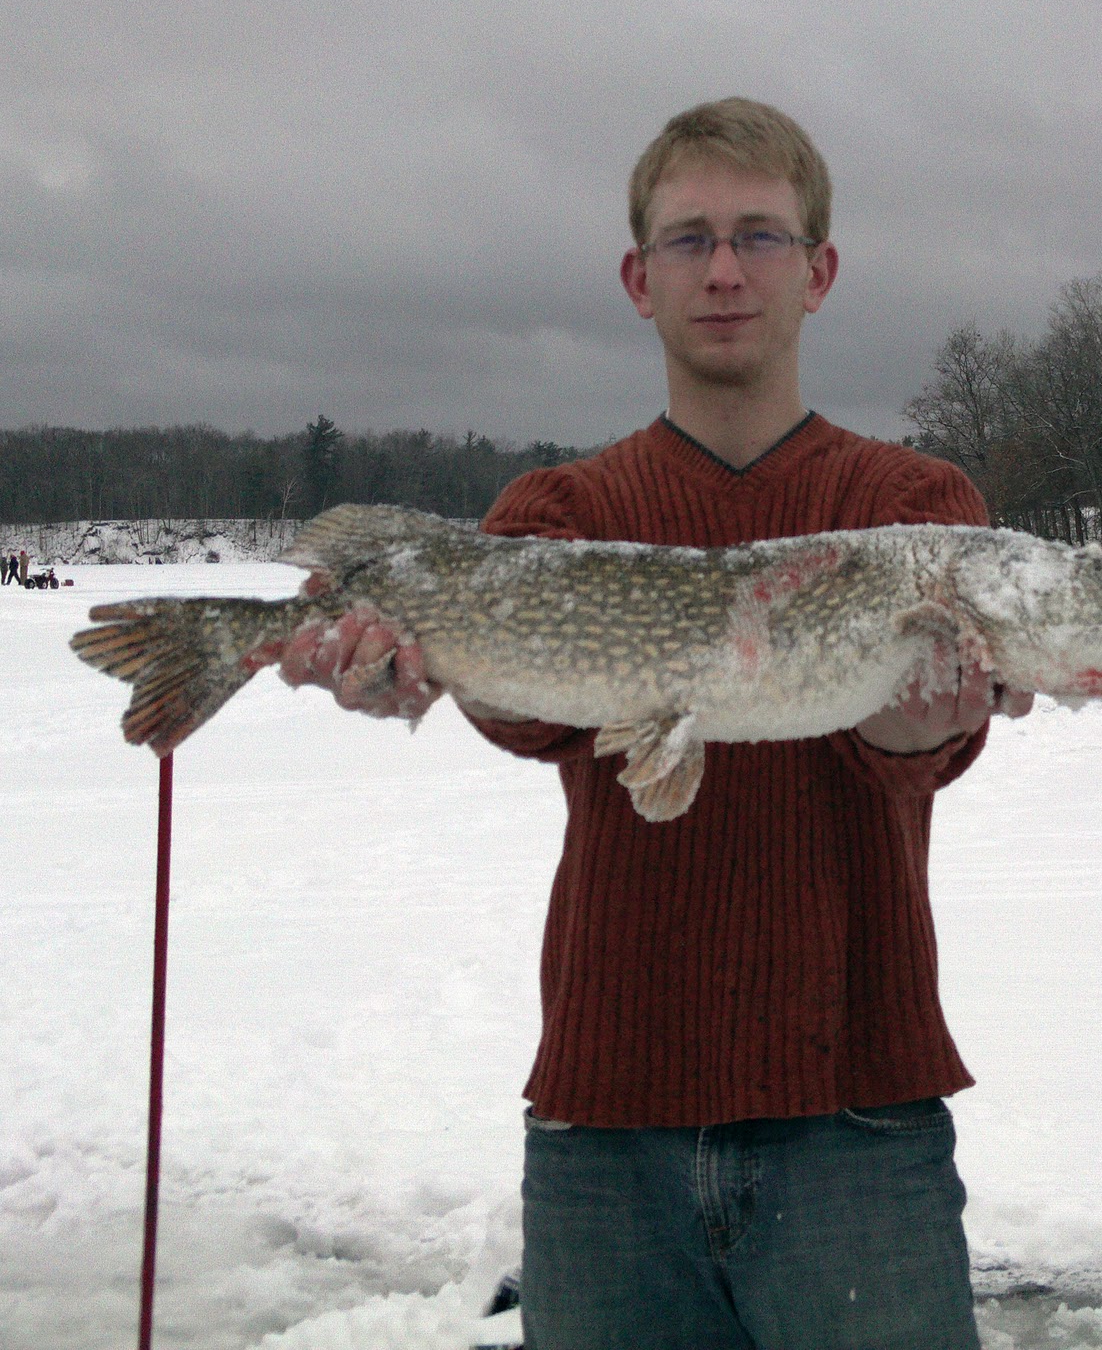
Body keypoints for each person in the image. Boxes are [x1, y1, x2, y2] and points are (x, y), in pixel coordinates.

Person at [278, 98, 1031, 1349]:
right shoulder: (562, 507)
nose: (725, 269)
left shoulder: (913, 510)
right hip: (606, 1130)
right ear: (639, 278)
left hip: (860, 1118)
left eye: (760, 236)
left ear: (820, 270)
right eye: (688, 239)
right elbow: (538, 724)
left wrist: (918, 734)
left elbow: (928, 755)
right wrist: (416, 669)